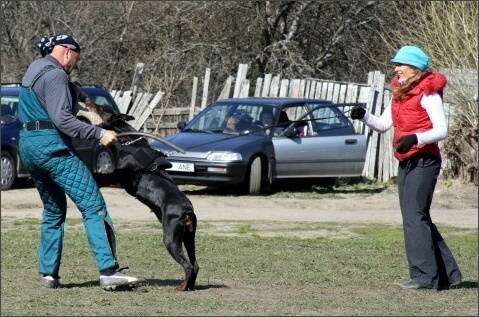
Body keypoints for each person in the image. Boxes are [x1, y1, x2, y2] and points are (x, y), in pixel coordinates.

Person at [18, 34, 140, 290]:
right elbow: (62, 119)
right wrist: (100, 133)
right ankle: (109, 270)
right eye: (76, 58)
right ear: (67, 52)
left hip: (29, 146)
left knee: (53, 210)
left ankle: (48, 275)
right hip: (53, 149)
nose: (75, 65)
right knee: (94, 206)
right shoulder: (56, 75)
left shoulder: (34, 69)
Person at [350, 45, 462, 291]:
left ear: (415, 68)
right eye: (395, 64)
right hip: (406, 161)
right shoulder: (399, 93)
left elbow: (441, 129)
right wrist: (364, 116)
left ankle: (425, 278)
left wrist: (416, 138)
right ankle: (449, 274)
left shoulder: (428, 94)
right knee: (416, 217)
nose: (396, 68)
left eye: (400, 64)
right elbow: (381, 124)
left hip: (425, 161)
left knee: (415, 216)